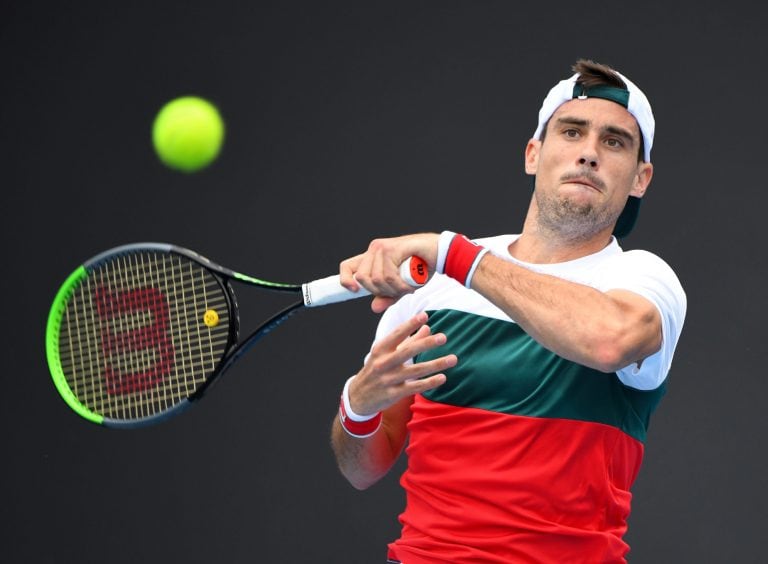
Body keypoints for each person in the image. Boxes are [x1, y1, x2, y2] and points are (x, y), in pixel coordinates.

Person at [330, 59, 687, 563]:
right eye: (571, 131)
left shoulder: (643, 281)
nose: (588, 154)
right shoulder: (432, 287)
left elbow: (608, 340)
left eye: (614, 142)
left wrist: (452, 255)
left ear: (640, 179)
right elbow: (362, 469)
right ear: (533, 153)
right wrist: (358, 405)